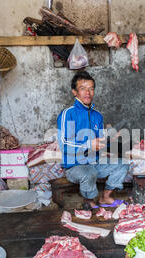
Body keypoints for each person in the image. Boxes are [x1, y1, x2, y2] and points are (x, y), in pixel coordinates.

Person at [57, 71, 129, 210]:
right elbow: (65, 144)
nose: (88, 92)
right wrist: (89, 144)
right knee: (89, 172)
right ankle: (88, 200)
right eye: (83, 88)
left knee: (123, 164)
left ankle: (105, 197)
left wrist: (110, 140)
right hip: (75, 166)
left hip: (95, 162)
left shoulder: (97, 116)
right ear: (74, 92)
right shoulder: (68, 113)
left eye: (91, 88)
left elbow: (100, 143)